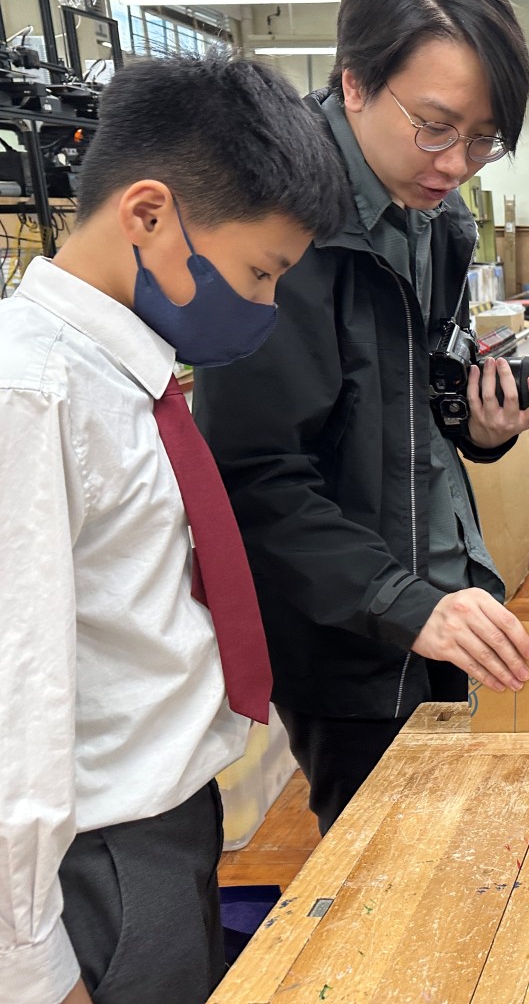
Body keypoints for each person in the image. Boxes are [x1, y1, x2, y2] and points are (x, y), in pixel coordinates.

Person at [0, 55, 348, 1004]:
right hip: (99, 853)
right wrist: (29, 961)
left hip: (165, 822)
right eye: (258, 273)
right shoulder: (32, 394)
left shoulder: (125, 376)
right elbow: (16, 697)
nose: (264, 307)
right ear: (149, 215)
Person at [192, 0, 529, 835]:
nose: (456, 163)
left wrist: (477, 426)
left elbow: (403, 404)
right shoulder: (276, 228)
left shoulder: (437, 220)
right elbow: (255, 477)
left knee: (468, 842)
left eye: (484, 139)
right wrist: (403, 605)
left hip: (445, 600)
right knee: (383, 862)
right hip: (350, 635)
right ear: (354, 83)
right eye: (436, 126)